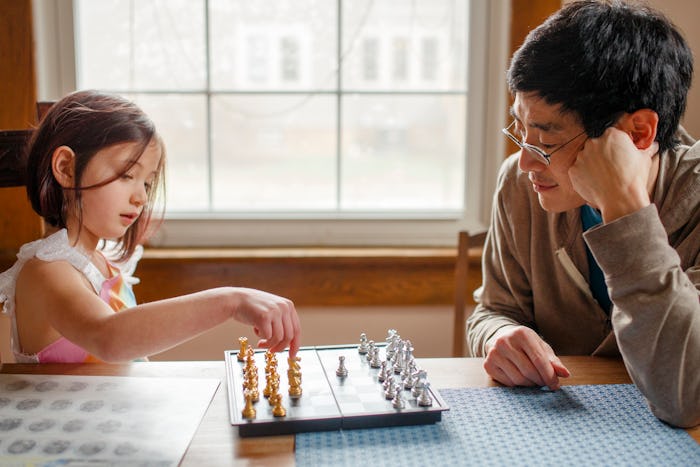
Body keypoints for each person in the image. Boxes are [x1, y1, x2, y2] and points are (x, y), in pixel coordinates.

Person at [466, 0, 699, 428]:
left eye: (547, 139)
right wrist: (498, 337)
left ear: (638, 133)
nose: (525, 164)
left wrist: (625, 208)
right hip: (555, 428)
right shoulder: (520, 186)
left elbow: (685, 395)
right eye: (521, 129)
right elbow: (492, 310)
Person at [0, 90, 301, 363]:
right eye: (126, 175)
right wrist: (230, 301)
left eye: (147, 182)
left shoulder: (101, 263)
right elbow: (110, 338)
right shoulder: (46, 271)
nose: (141, 196)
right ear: (66, 168)